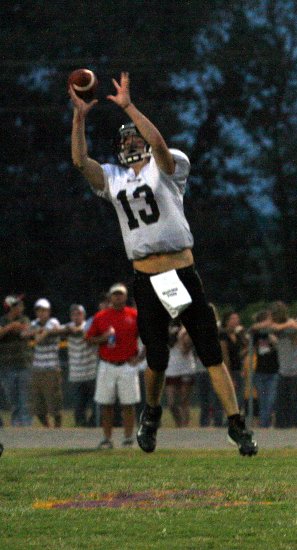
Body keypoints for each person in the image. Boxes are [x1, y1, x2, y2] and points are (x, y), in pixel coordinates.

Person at [69, 71, 256, 456]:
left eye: (136, 137)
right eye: (127, 140)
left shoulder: (167, 166)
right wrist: (79, 117)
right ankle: (151, 414)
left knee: (209, 351)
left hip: (179, 273)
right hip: (147, 277)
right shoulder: (115, 178)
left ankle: (236, 423)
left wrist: (129, 107)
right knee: (156, 356)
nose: (132, 142)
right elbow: (80, 161)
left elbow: (158, 144)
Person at [87, 283, 142, 448]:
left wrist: (140, 357)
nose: (118, 297)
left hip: (127, 364)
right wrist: (103, 338)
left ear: (125, 296)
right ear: (110, 297)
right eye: (115, 294)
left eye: (120, 294)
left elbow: (148, 336)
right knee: (106, 404)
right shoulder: (101, 316)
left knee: (128, 404)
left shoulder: (134, 315)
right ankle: (107, 438)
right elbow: (89, 338)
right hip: (107, 363)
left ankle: (128, 437)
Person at [269, 301, 297, 429]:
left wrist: (290, 326)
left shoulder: (291, 324)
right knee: (281, 399)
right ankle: (281, 424)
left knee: (295, 400)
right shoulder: (275, 326)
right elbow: (273, 328)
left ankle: (295, 425)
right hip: (284, 369)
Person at [28, 298, 64, 428]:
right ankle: (48, 428)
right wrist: (41, 331)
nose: (41, 313)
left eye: (44, 310)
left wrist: (43, 332)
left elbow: (39, 338)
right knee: (37, 407)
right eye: (39, 310)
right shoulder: (34, 323)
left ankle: (57, 429)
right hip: (37, 368)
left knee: (54, 403)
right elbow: (25, 333)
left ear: (48, 311)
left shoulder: (53, 321)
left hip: (51, 368)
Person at [0, 295, 32, 426]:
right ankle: (16, 425)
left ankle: (25, 426)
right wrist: (11, 326)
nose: (21, 308)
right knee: (12, 398)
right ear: (11, 308)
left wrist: (12, 328)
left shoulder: (24, 319)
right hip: (7, 365)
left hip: (24, 363)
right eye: (18, 305)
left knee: (24, 397)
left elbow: (26, 331)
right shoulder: (3, 320)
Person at [64, 304, 98, 427]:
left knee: (95, 404)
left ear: (84, 315)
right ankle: (80, 427)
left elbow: (82, 330)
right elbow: (59, 329)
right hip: (76, 374)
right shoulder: (68, 327)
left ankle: (93, 425)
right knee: (78, 406)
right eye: (74, 314)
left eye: (79, 314)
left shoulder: (88, 326)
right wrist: (69, 329)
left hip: (91, 372)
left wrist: (75, 330)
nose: (76, 316)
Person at [250, 310, 280, 428]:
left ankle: (265, 423)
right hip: (260, 372)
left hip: (273, 372)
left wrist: (272, 337)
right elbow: (252, 329)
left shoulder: (275, 331)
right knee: (263, 400)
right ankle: (264, 425)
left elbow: (278, 343)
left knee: (271, 399)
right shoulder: (257, 333)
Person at [165, 320, 196, 427]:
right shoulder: (168, 328)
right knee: (171, 403)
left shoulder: (187, 330)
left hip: (186, 368)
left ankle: (184, 427)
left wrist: (181, 336)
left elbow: (185, 349)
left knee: (184, 401)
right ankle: (179, 424)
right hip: (171, 368)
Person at [219, 310, 248, 416]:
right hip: (229, 370)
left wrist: (243, 335)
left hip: (238, 369)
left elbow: (243, 350)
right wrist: (229, 376)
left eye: (237, 318)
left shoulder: (238, 334)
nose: (236, 321)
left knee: (239, 397)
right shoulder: (223, 335)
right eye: (233, 319)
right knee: (231, 398)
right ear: (227, 321)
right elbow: (225, 356)